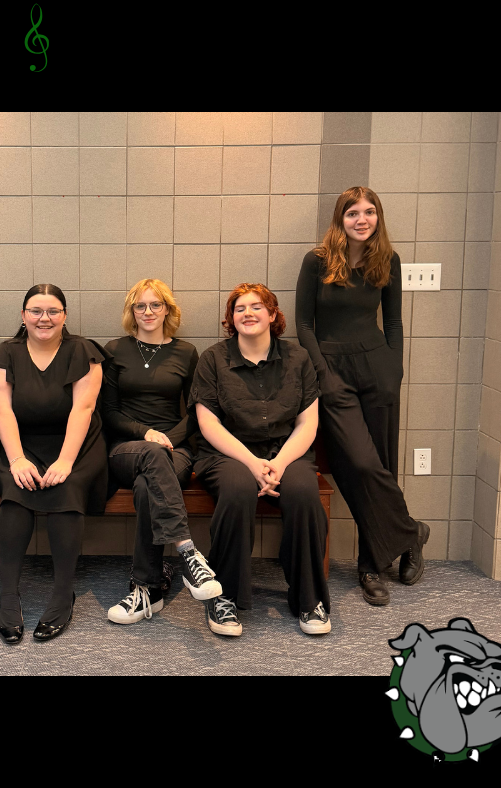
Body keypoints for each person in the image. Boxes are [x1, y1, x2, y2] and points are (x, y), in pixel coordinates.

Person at [295, 186, 430, 607]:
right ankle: (411, 531)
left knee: (383, 465)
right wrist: (323, 374)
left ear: (378, 217)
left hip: (378, 369)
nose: (362, 219)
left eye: (369, 212)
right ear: (340, 219)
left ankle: (371, 565)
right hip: (333, 371)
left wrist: (395, 370)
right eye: (352, 212)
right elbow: (303, 324)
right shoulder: (316, 261)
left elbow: (393, 323)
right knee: (357, 462)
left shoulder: (387, 259)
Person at [190, 284, 331, 636]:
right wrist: (253, 464)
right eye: (239, 308)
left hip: (287, 452)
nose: (248, 313)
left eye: (257, 307)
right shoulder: (213, 359)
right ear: (231, 318)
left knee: (302, 493)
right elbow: (208, 424)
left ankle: (308, 597)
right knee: (237, 489)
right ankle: (224, 597)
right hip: (228, 453)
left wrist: (279, 464)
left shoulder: (298, 358)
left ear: (272, 314)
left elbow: (308, 423)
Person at [0, 284, 109, 643]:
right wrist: (18, 458)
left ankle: (62, 594)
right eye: (36, 311)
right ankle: (9, 596)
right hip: (21, 443)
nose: (44, 318)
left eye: (53, 311)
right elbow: (2, 411)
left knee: (66, 489)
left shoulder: (83, 352)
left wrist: (66, 460)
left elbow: (82, 410)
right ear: (23, 316)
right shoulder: (4, 355)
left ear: (64, 316)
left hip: (77, 444)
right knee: (15, 492)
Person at [102, 279, 221, 625]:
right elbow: (108, 412)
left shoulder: (186, 352)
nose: (148, 311)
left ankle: (146, 588)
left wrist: (167, 438)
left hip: (176, 447)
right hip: (126, 447)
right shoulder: (115, 350)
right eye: (140, 305)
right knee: (151, 458)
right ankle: (188, 552)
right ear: (131, 311)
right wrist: (146, 434)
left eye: (155, 305)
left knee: (146, 486)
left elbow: (196, 409)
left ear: (167, 309)